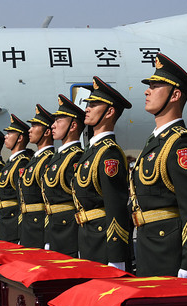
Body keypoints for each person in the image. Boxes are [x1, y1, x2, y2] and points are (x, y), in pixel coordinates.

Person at [130, 53, 187, 277]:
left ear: (175, 94)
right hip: (149, 247)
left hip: (169, 252)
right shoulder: (156, 140)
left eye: (155, 86)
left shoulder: (182, 143)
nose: (147, 91)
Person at [74, 76, 132, 270]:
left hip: (103, 242)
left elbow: (116, 208)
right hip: (88, 238)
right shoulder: (92, 151)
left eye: (94, 104)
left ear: (109, 112)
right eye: (88, 103)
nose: (87, 108)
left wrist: (116, 257)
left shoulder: (109, 153)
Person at [43, 95, 85, 257]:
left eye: (58, 121)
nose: (53, 126)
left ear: (73, 125)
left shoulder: (76, 157)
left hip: (70, 230)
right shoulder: (58, 157)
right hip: (55, 228)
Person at [19, 104, 55, 248]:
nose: (30, 129)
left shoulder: (48, 159)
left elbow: (49, 201)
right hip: (29, 227)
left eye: (35, 126)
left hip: (39, 228)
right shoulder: (34, 159)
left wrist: (47, 238)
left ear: (46, 132)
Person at [0, 114, 33, 243]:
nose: (5, 136)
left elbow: (22, 199)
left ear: (20, 138)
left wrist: (20, 231)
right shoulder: (11, 163)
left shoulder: (21, 163)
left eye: (10, 133)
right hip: (5, 223)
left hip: (13, 225)